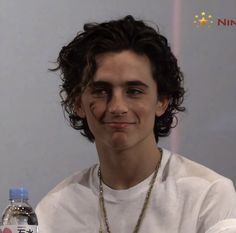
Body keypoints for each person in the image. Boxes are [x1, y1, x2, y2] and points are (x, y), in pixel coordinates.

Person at [36, 15, 236, 233]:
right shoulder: (54, 210)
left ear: (161, 101)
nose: (117, 107)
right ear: (78, 103)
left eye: (134, 91)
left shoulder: (208, 195)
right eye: (101, 91)